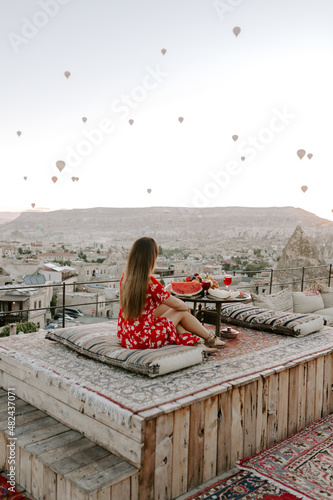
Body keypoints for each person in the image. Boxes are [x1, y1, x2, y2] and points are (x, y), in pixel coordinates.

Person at [117, 237, 226, 352]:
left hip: (127, 336)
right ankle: (210, 339)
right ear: (151, 259)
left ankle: (196, 344)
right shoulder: (150, 282)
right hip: (144, 339)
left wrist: (165, 291)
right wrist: (186, 309)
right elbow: (178, 305)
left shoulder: (125, 278)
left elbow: (148, 299)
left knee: (169, 309)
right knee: (180, 311)